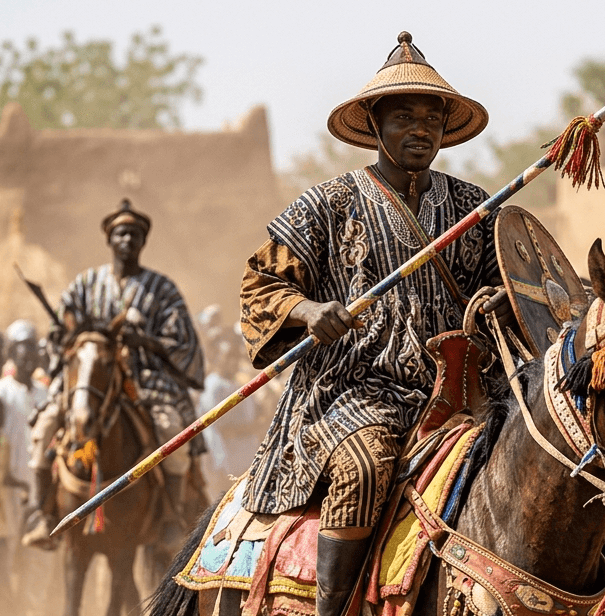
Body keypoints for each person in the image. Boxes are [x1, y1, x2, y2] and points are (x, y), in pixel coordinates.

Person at [239, 32, 508, 616]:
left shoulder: (477, 209)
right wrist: (308, 311)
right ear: (375, 123)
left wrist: (498, 307)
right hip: (351, 396)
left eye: (432, 118)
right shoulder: (326, 203)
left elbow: (513, 296)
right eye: (404, 116)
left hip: (458, 393)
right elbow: (259, 284)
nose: (421, 129)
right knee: (365, 468)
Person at [22, 199, 206, 547]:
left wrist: (146, 341)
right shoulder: (84, 284)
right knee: (46, 424)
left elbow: (183, 343)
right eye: (121, 233)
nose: (127, 239)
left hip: (146, 380)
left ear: (143, 241)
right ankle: (41, 512)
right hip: (90, 379)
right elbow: (58, 332)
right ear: (109, 239)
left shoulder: (162, 289)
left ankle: (169, 515)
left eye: (134, 234)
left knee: (170, 430)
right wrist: (69, 337)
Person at [0, 320, 51, 606]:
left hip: (39, 493)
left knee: (39, 561)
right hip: (7, 491)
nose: (28, 357)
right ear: (11, 352)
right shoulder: (2, 393)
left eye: (33, 349)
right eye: (22, 350)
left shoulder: (45, 394)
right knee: (6, 562)